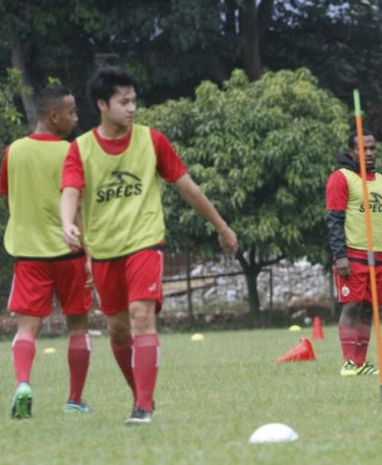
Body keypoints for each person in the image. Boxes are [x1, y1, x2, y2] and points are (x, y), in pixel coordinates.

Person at [60, 67, 238, 424]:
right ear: (102, 105)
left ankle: (141, 408)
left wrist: (221, 225)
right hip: (106, 251)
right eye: (123, 102)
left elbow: (188, 187)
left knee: (142, 318)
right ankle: (142, 396)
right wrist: (67, 222)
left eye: (134, 101)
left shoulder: (152, 140)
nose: (132, 109)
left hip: (145, 243)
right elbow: (71, 191)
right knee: (118, 330)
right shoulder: (80, 149)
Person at [1, 86, 93, 419]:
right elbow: (78, 203)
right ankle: (74, 398)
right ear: (54, 116)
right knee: (79, 327)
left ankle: (23, 384)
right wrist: (90, 254)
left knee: (26, 329)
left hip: (28, 254)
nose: (76, 118)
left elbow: (9, 197)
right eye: (71, 112)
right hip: (70, 252)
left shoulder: (13, 152)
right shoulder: (72, 152)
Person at [325, 131, 382, 376]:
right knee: (352, 306)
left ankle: (361, 362)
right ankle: (348, 362)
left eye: (372, 148)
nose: (368, 153)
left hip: (379, 257)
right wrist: (340, 255)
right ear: (351, 151)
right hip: (353, 255)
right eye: (362, 149)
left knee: (370, 309)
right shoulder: (340, 178)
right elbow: (334, 220)